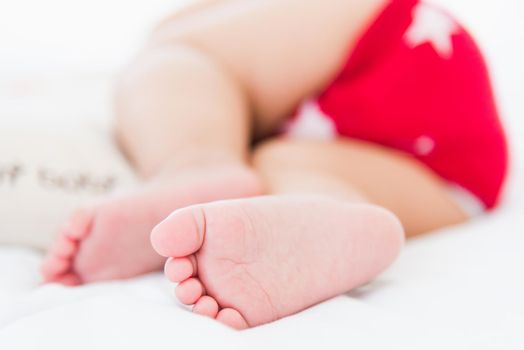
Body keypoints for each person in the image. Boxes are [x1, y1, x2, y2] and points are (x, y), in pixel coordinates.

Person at [41, 0, 508, 329]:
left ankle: (196, 165)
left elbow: (187, 56)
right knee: (288, 178)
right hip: (454, 180)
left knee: (176, 58)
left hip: (386, 38)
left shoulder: (198, 25)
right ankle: (335, 215)